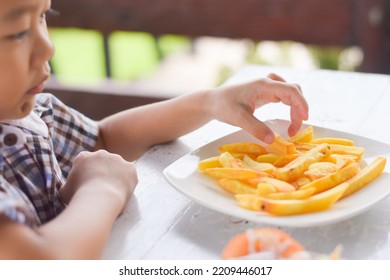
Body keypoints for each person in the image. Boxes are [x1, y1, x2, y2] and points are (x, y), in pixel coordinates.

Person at [0, 0, 308, 259]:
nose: (48, 47)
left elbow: (104, 140)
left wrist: (210, 102)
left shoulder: (33, 116)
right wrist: (103, 188)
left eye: (43, 16)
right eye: (17, 33)